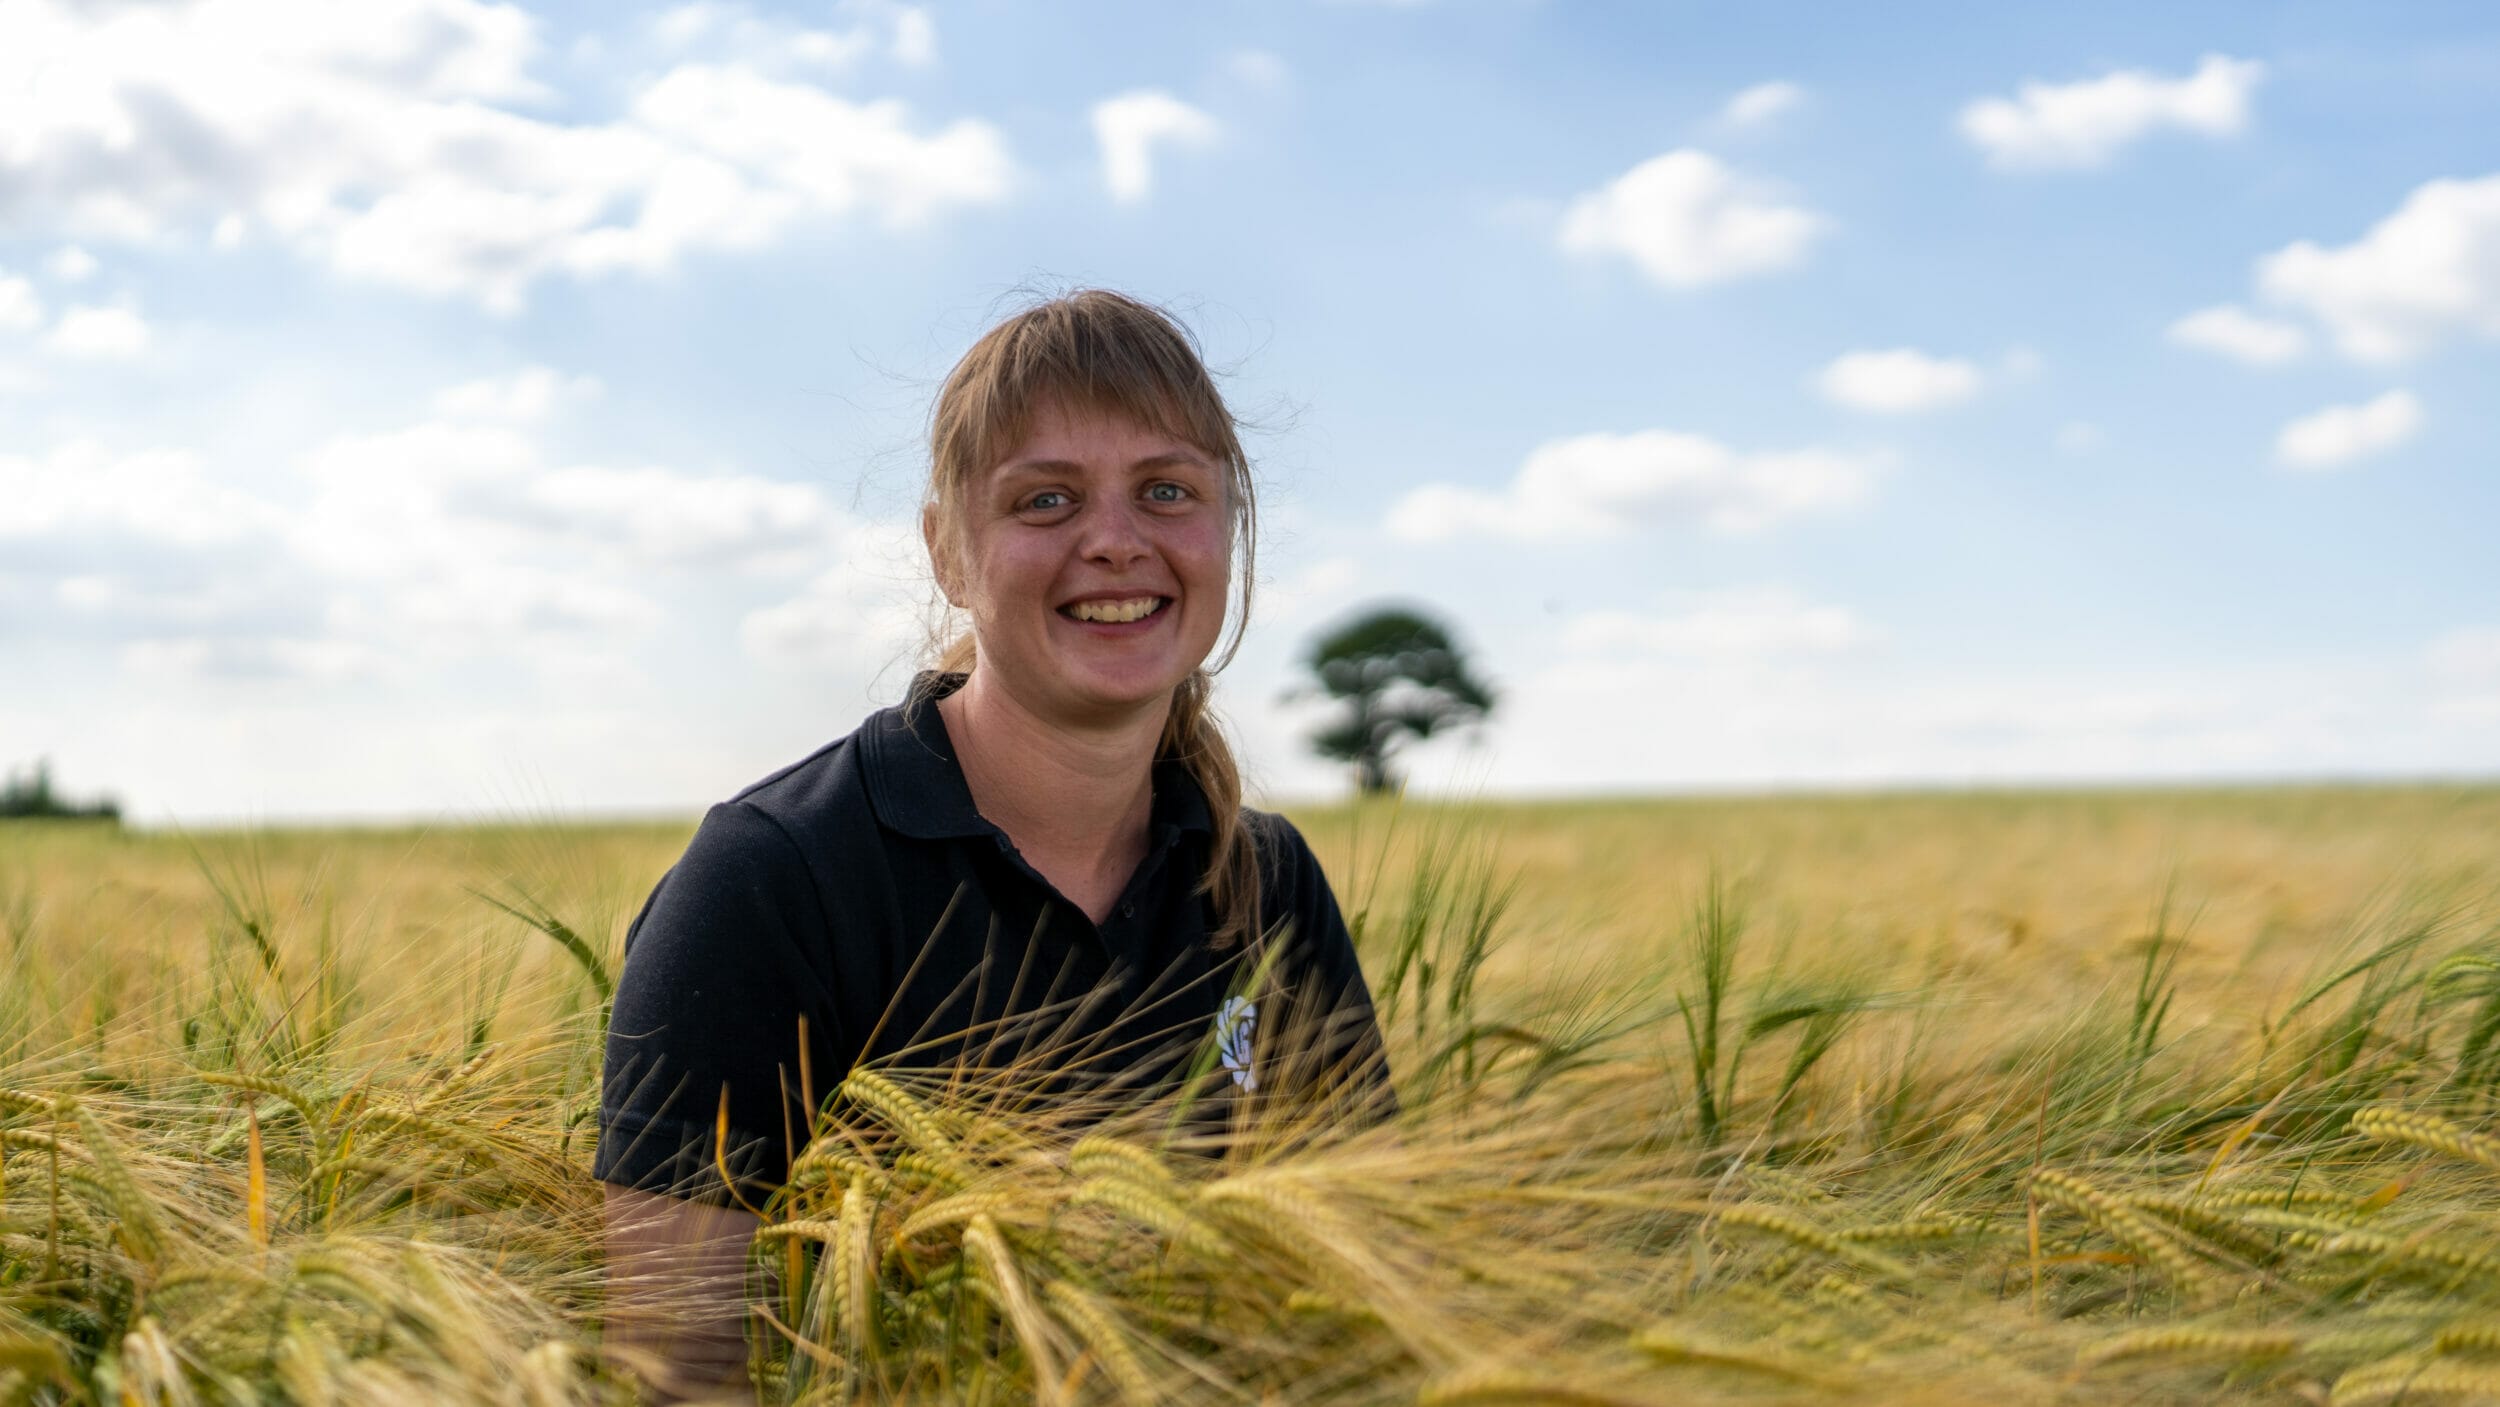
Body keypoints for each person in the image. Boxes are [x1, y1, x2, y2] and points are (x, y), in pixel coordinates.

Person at [594, 289, 1396, 1401]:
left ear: (1226, 530)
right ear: (948, 551)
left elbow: (1358, 1301)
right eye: (1045, 500)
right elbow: (675, 1372)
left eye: (1166, 491)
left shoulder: (1265, 885)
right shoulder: (772, 877)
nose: (1114, 542)